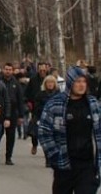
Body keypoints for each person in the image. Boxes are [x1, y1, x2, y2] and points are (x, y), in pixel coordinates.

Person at [39, 66, 101, 194]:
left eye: (84, 82)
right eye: (78, 82)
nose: (81, 85)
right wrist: (54, 155)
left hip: (87, 165)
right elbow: (44, 132)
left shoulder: (93, 104)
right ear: (70, 83)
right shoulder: (55, 104)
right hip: (64, 164)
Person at [0, 62, 25, 165]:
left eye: (10, 69)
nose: (8, 71)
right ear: (3, 70)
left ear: (12, 71)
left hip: (13, 113)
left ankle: (8, 157)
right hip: (0, 111)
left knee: (11, 136)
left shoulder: (16, 83)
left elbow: (20, 99)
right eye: (6, 69)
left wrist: (21, 116)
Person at [29, 75, 58, 161]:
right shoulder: (40, 94)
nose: (50, 84)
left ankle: (48, 159)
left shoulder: (58, 94)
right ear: (45, 84)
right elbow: (36, 107)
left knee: (50, 139)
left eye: (52, 82)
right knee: (36, 135)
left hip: (54, 118)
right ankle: (34, 144)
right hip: (41, 117)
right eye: (48, 82)